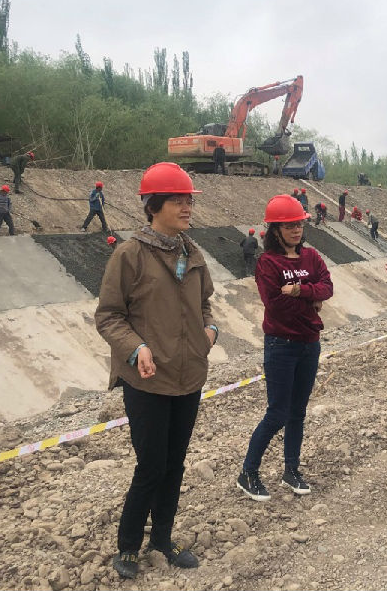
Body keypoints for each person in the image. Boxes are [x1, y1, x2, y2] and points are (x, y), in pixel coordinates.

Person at [95, 162, 218, 580]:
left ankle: (162, 539)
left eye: (188, 201)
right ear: (153, 206)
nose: (186, 208)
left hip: (188, 375)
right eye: (177, 201)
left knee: (175, 463)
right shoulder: (130, 255)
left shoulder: (191, 252)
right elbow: (109, 316)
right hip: (147, 380)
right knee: (151, 465)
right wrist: (136, 348)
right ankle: (129, 545)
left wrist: (211, 330)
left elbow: (205, 304)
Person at [237, 194, 333, 500]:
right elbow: (275, 305)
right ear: (275, 230)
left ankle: (291, 469)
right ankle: (248, 472)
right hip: (281, 345)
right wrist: (311, 301)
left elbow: (327, 287)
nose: (296, 230)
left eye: (299, 224)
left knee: (297, 413)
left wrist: (299, 290)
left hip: (310, 344)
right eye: (289, 225)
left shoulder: (312, 257)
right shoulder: (268, 263)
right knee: (277, 413)